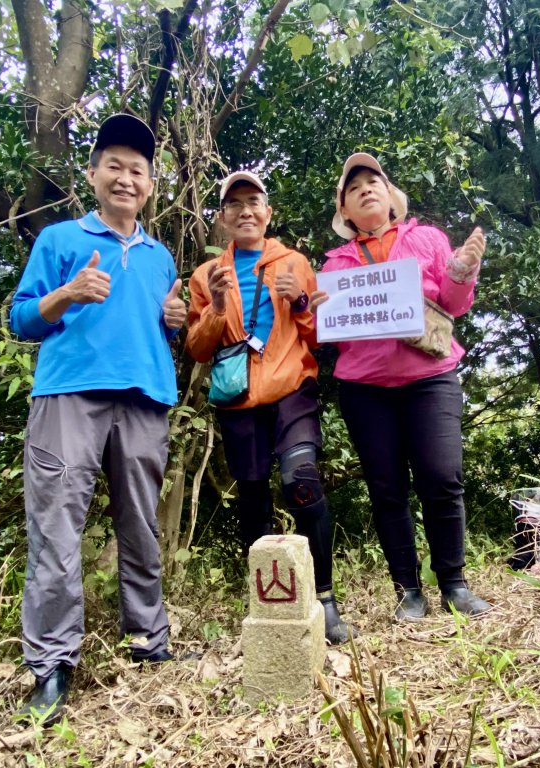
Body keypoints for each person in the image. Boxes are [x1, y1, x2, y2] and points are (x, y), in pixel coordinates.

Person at [9, 114, 188, 723]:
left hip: (145, 396)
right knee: (57, 523)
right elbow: (22, 319)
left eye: (137, 169)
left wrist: (174, 319)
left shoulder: (162, 256)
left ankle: (148, 638)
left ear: (150, 185)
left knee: (141, 522)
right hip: (69, 395)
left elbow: (162, 318)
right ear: (93, 174)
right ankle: (52, 664)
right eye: (114, 164)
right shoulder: (60, 240)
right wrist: (66, 293)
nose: (125, 177)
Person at [311, 152, 491, 622]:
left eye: (374, 181)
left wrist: (462, 271)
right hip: (364, 387)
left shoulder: (427, 239)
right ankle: (408, 591)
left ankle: (453, 584)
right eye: (354, 188)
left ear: (392, 197)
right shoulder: (333, 263)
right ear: (345, 213)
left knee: (442, 477)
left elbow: (454, 304)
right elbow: (325, 332)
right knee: (386, 489)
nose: (366, 188)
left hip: (430, 379)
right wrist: (311, 309)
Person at [185, 170, 352, 645]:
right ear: (222, 219)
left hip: (291, 391)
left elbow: (321, 335)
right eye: (234, 204)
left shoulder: (294, 262)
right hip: (238, 400)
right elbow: (197, 348)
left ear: (268, 212)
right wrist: (216, 306)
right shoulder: (206, 276)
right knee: (254, 502)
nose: (245, 210)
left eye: (253, 201)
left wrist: (300, 301)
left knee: (301, 481)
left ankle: (325, 599)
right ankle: (270, 604)